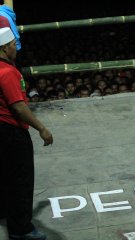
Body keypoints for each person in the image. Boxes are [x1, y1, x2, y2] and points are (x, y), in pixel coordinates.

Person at [0, 27, 53, 240]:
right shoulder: (8, 72)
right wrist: (42, 128)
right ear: (4, 48)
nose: (16, 49)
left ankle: (5, 211)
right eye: (13, 45)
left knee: (5, 176)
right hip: (11, 131)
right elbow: (19, 107)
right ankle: (20, 229)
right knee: (20, 180)